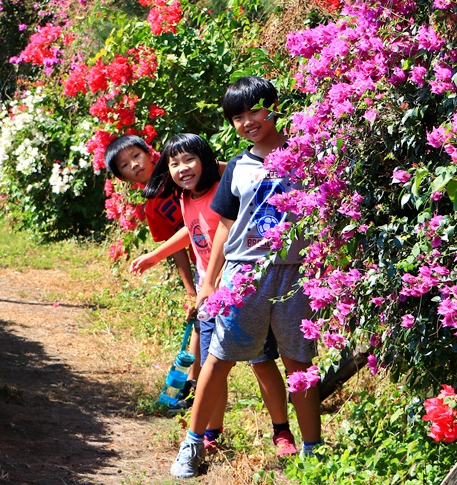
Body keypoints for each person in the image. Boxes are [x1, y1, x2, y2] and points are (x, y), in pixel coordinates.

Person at [170, 77, 321, 479]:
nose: (248, 121)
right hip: (245, 274)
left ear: (273, 106)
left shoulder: (306, 154)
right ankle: (192, 445)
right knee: (217, 360)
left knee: (298, 362)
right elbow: (224, 226)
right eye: (238, 117)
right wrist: (209, 281)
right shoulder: (238, 165)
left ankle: (312, 450)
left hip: (293, 273)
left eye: (254, 110)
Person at [132, 133, 291, 455]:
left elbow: (230, 178)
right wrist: (154, 256)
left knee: (261, 361)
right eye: (174, 163)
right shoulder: (184, 197)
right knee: (211, 367)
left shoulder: (225, 187)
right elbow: (192, 231)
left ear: (206, 160)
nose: (182, 168)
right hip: (209, 295)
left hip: (240, 288)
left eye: (190, 159)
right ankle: (211, 433)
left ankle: (282, 431)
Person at [104, 135, 197, 400]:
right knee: (202, 323)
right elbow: (177, 248)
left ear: (149, 152)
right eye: (124, 165)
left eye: (136, 155)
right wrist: (190, 291)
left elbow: (202, 217)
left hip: (231, 249)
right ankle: (191, 385)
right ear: (122, 178)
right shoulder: (152, 208)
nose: (133, 164)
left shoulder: (179, 173)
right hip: (202, 261)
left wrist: (153, 256)